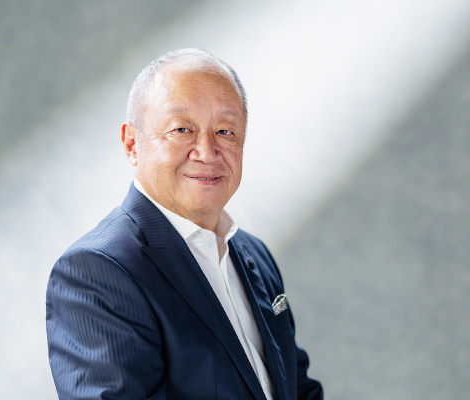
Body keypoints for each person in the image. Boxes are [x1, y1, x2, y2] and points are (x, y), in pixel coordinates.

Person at [46, 48, 323, 400]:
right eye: (181, 129)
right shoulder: (97, 271)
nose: (207, 151)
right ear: (132, 144)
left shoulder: (253, 253)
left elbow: (298, 389)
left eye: (225, 131)